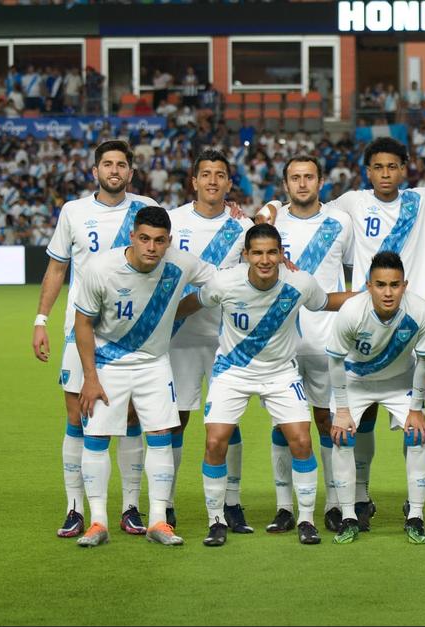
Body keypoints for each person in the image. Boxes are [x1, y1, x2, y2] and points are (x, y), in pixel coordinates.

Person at [259, 138, 425, 526]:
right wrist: (269, 208)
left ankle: (414, 506)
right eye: (378, 168)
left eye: (393, 167)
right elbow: (306, 204)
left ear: (405, 169)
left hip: (414, 327)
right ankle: (360, 497)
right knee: (361, 416)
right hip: (367, 320)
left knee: (415, 421)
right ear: (368, 172)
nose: (386, 174)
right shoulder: (351, 202)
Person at [175, 224, 358, 547]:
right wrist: (163, 320)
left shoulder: (299, 283)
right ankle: (216, 520)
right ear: (245, 255)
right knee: (215, 441)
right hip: (233, 371)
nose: (264, 259)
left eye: (271, 252)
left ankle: (305, 519)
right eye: (257, 252)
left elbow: (325, 302)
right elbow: (195, 302)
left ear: (281, 255)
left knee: (301, 440)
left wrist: (368, 296)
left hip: (280, 374)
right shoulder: (224, 282)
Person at [33, 139, 159, 539]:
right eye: (107, 164)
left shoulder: (145, 208)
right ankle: (75, 509)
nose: (115, 171)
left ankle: (131, 507)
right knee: (77, 419)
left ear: (131, 172)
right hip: (80, 328)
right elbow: (56, 269)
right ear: (95, 171)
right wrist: (41, 319)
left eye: (122, 165)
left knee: (132, 418)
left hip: (132, 332)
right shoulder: (73, 212)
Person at [72, 206, 217, 547]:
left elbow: (219, 281)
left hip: (154, 364)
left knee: (161, 436)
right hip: (109, 363)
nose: (152, 247)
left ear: (169, 242)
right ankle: (98, 522)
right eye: (145, 239)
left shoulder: (180, 264)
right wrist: (90, 377)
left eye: (159, 241)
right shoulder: (101, 270)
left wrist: (186, 306)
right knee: (96, 438)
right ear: (132, 238)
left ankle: (158, 521)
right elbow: (82, 324)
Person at [265, 156, 354, 535]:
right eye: (295, 178)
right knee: (282, 425)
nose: (302, 184)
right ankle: (286, 507)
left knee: (328, 422)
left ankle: (335, 504)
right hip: (280, 339)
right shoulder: (271, 223)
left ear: (320, 181)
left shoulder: (340, 223)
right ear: (285, 184)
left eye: (308, 177)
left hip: (325, 339)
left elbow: (353, 274)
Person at [166, 149, 254, 531]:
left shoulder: (243, 226)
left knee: (227, 423)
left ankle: (231, 503)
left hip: (225, 340)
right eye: (206, 174)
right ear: (194, 180)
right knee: (175, 421)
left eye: (220, 175)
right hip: (178, 337)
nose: (213, 181)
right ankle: (164, 502)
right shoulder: (173, 221)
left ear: (229, 183)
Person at [327, 251, 425, 544]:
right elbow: (335, 362)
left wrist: (416, 409)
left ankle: (416, 515)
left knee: (417, 435)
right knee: (342, 435)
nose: (388, 292)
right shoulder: (351, 311)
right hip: (355, 381)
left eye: (395, 285)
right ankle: (348, 515)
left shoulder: (421, 311)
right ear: (368, 285)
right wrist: (343, 410)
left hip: (400, 381)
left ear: (405, 285)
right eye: (381, 285)